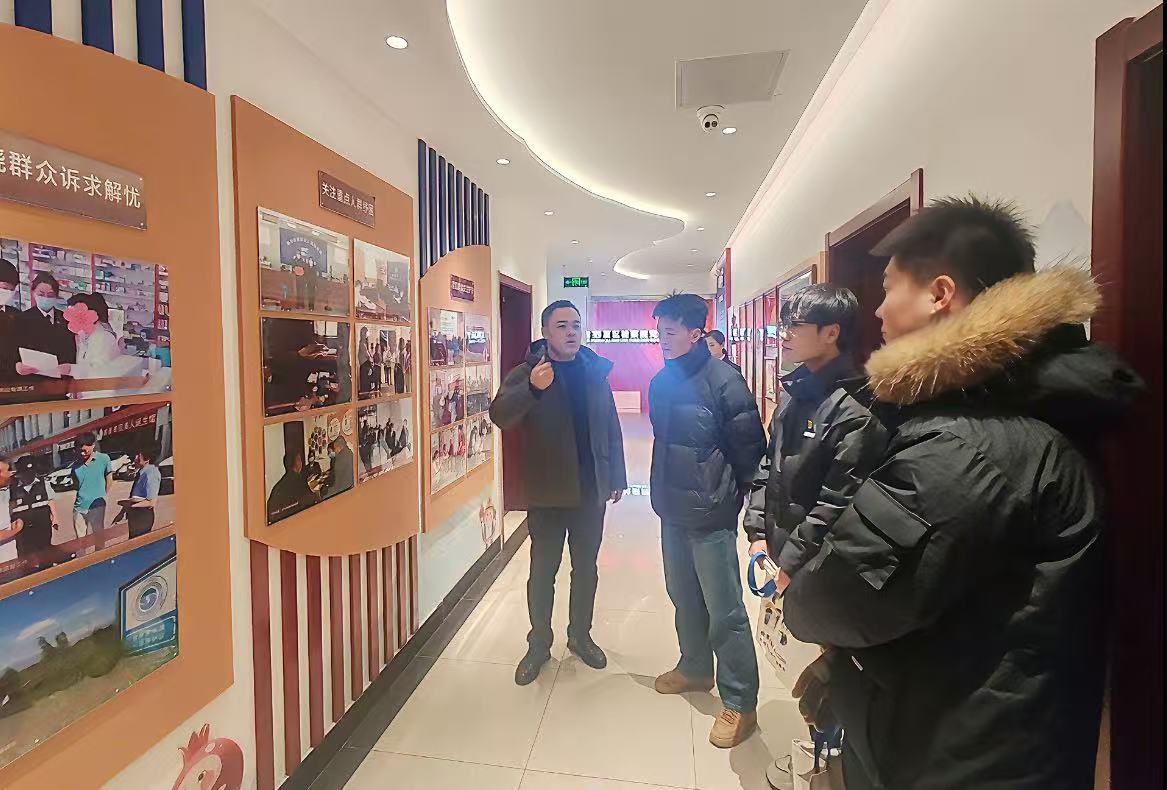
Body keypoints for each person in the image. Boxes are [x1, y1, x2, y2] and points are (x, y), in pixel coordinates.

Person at [783, 196, 1142, 789]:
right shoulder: (994, 409)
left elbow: (847, 595)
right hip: (963, 730)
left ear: (940, 293)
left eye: (888, 287)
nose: (877, 309)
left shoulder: (969, 447)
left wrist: (796, 598)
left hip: (964, 755)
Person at [648, 293, 766, 749]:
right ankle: (695, 668)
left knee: (726, 611)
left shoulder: (726, 382)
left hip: (712, 515)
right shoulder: (661, 382)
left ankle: (740, 701)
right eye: (659, 332)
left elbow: (752, 456)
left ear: (696, 333)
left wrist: (751, 518)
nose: (662, 340)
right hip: (671, 510)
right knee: (683, 596)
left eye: (670, 332)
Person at [490, 300, 628, 686]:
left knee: (586, 569)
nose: (571, 332)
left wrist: (616, 474)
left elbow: (609, 423)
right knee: (543, 572)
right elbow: (500, 415)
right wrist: (532, 390)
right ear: (546, 332)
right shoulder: (529, 372)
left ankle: (580, 636)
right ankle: (538, 644)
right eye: (562, 325)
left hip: (590, 491)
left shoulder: (594, 370)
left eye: (576, 325)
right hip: (548, 492)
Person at [744, 284, 888, 587]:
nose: (784, 334)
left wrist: (790, 562)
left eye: (795, 325)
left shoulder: (855, 409)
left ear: (831, 333)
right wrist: (757, 532)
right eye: (784, 324)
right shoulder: (793, 392)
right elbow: (769, 465)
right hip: (776, 551)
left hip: (817, 570)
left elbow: (836, 503)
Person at [13, 272, 76, 398]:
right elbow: (14, 350)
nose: (46, 298)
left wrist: (70, 369)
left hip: (60, 384)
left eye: (50, 295)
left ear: (56, 296)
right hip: (33, 384)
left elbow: (71, 349)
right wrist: (17, 365)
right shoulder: (22, 319)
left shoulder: (65, 319)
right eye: (41, 294)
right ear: (33, 293)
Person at [8, 454, 61, 573]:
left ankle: (47, 571)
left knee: (45, 550)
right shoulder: (13, 489)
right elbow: (11, 508)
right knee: (26, 555)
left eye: (31, 472)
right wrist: (11, 524)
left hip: (42, 524)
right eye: (26, 472)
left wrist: (55, 517)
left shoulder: (43, 483)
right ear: (21, 473)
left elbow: (50, 500)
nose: (29, 475)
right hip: (23, 529)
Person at [70, 432, 113, 550]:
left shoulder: (104, 459)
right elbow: (77, 485)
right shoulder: (75, 466)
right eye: (80, 451)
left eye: (85, 450)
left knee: (99, 536)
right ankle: (82, 559)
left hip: (97, 506)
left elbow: (109, 479)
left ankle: (100, 558)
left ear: (93, 445)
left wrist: (102, 496)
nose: (82, 453)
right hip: (79, 507)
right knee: (80, 541)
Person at [114, 444, 162, 539]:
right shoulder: (141, 472)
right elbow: (133, 495)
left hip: (143, 517)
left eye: (138, 456)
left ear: (147, 459)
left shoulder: (151, 474)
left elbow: (151, 502)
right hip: (135, 516)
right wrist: (122, 512)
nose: (135, 458)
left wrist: (130, 505)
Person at [267, 449, 313, 523]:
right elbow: (309, 501)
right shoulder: (299, 481)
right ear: (297, 463)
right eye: (299, 460)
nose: (301, 463)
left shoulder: (280, 484)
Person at [0, 458, 21, 569]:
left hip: (10, 555)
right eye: (7, 470)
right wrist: (16, 530)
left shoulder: (6, 491)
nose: (10, 474)